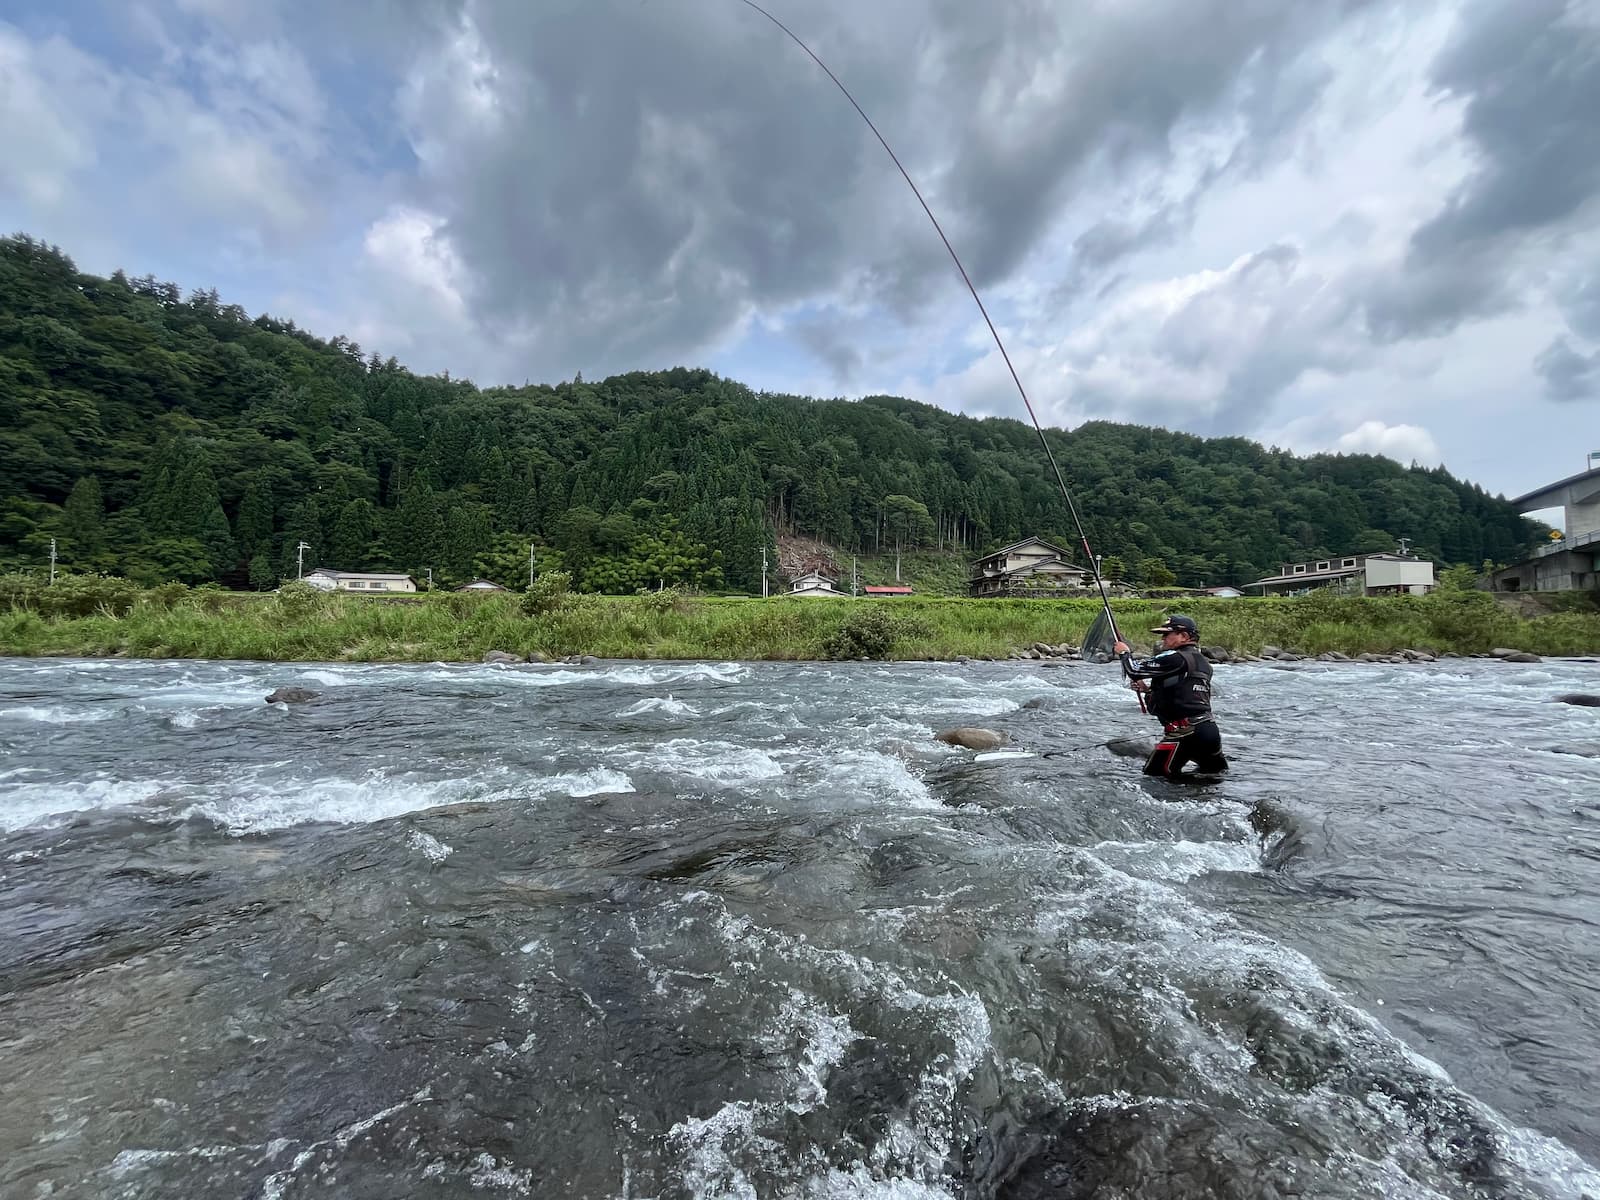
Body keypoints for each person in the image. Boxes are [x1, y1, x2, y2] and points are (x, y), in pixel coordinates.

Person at [1113, 614, 1228, 779]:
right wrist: (1148, 691)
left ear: (1184, 636)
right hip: (1208, 731)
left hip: (1184, 733)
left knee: (1153, 778)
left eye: (1167, 634)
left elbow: (1134, 670)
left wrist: (1124, 652)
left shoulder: (1175, 658)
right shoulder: (1204, 663)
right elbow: (1185, 695)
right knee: (1213, 778)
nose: (1163, 638)